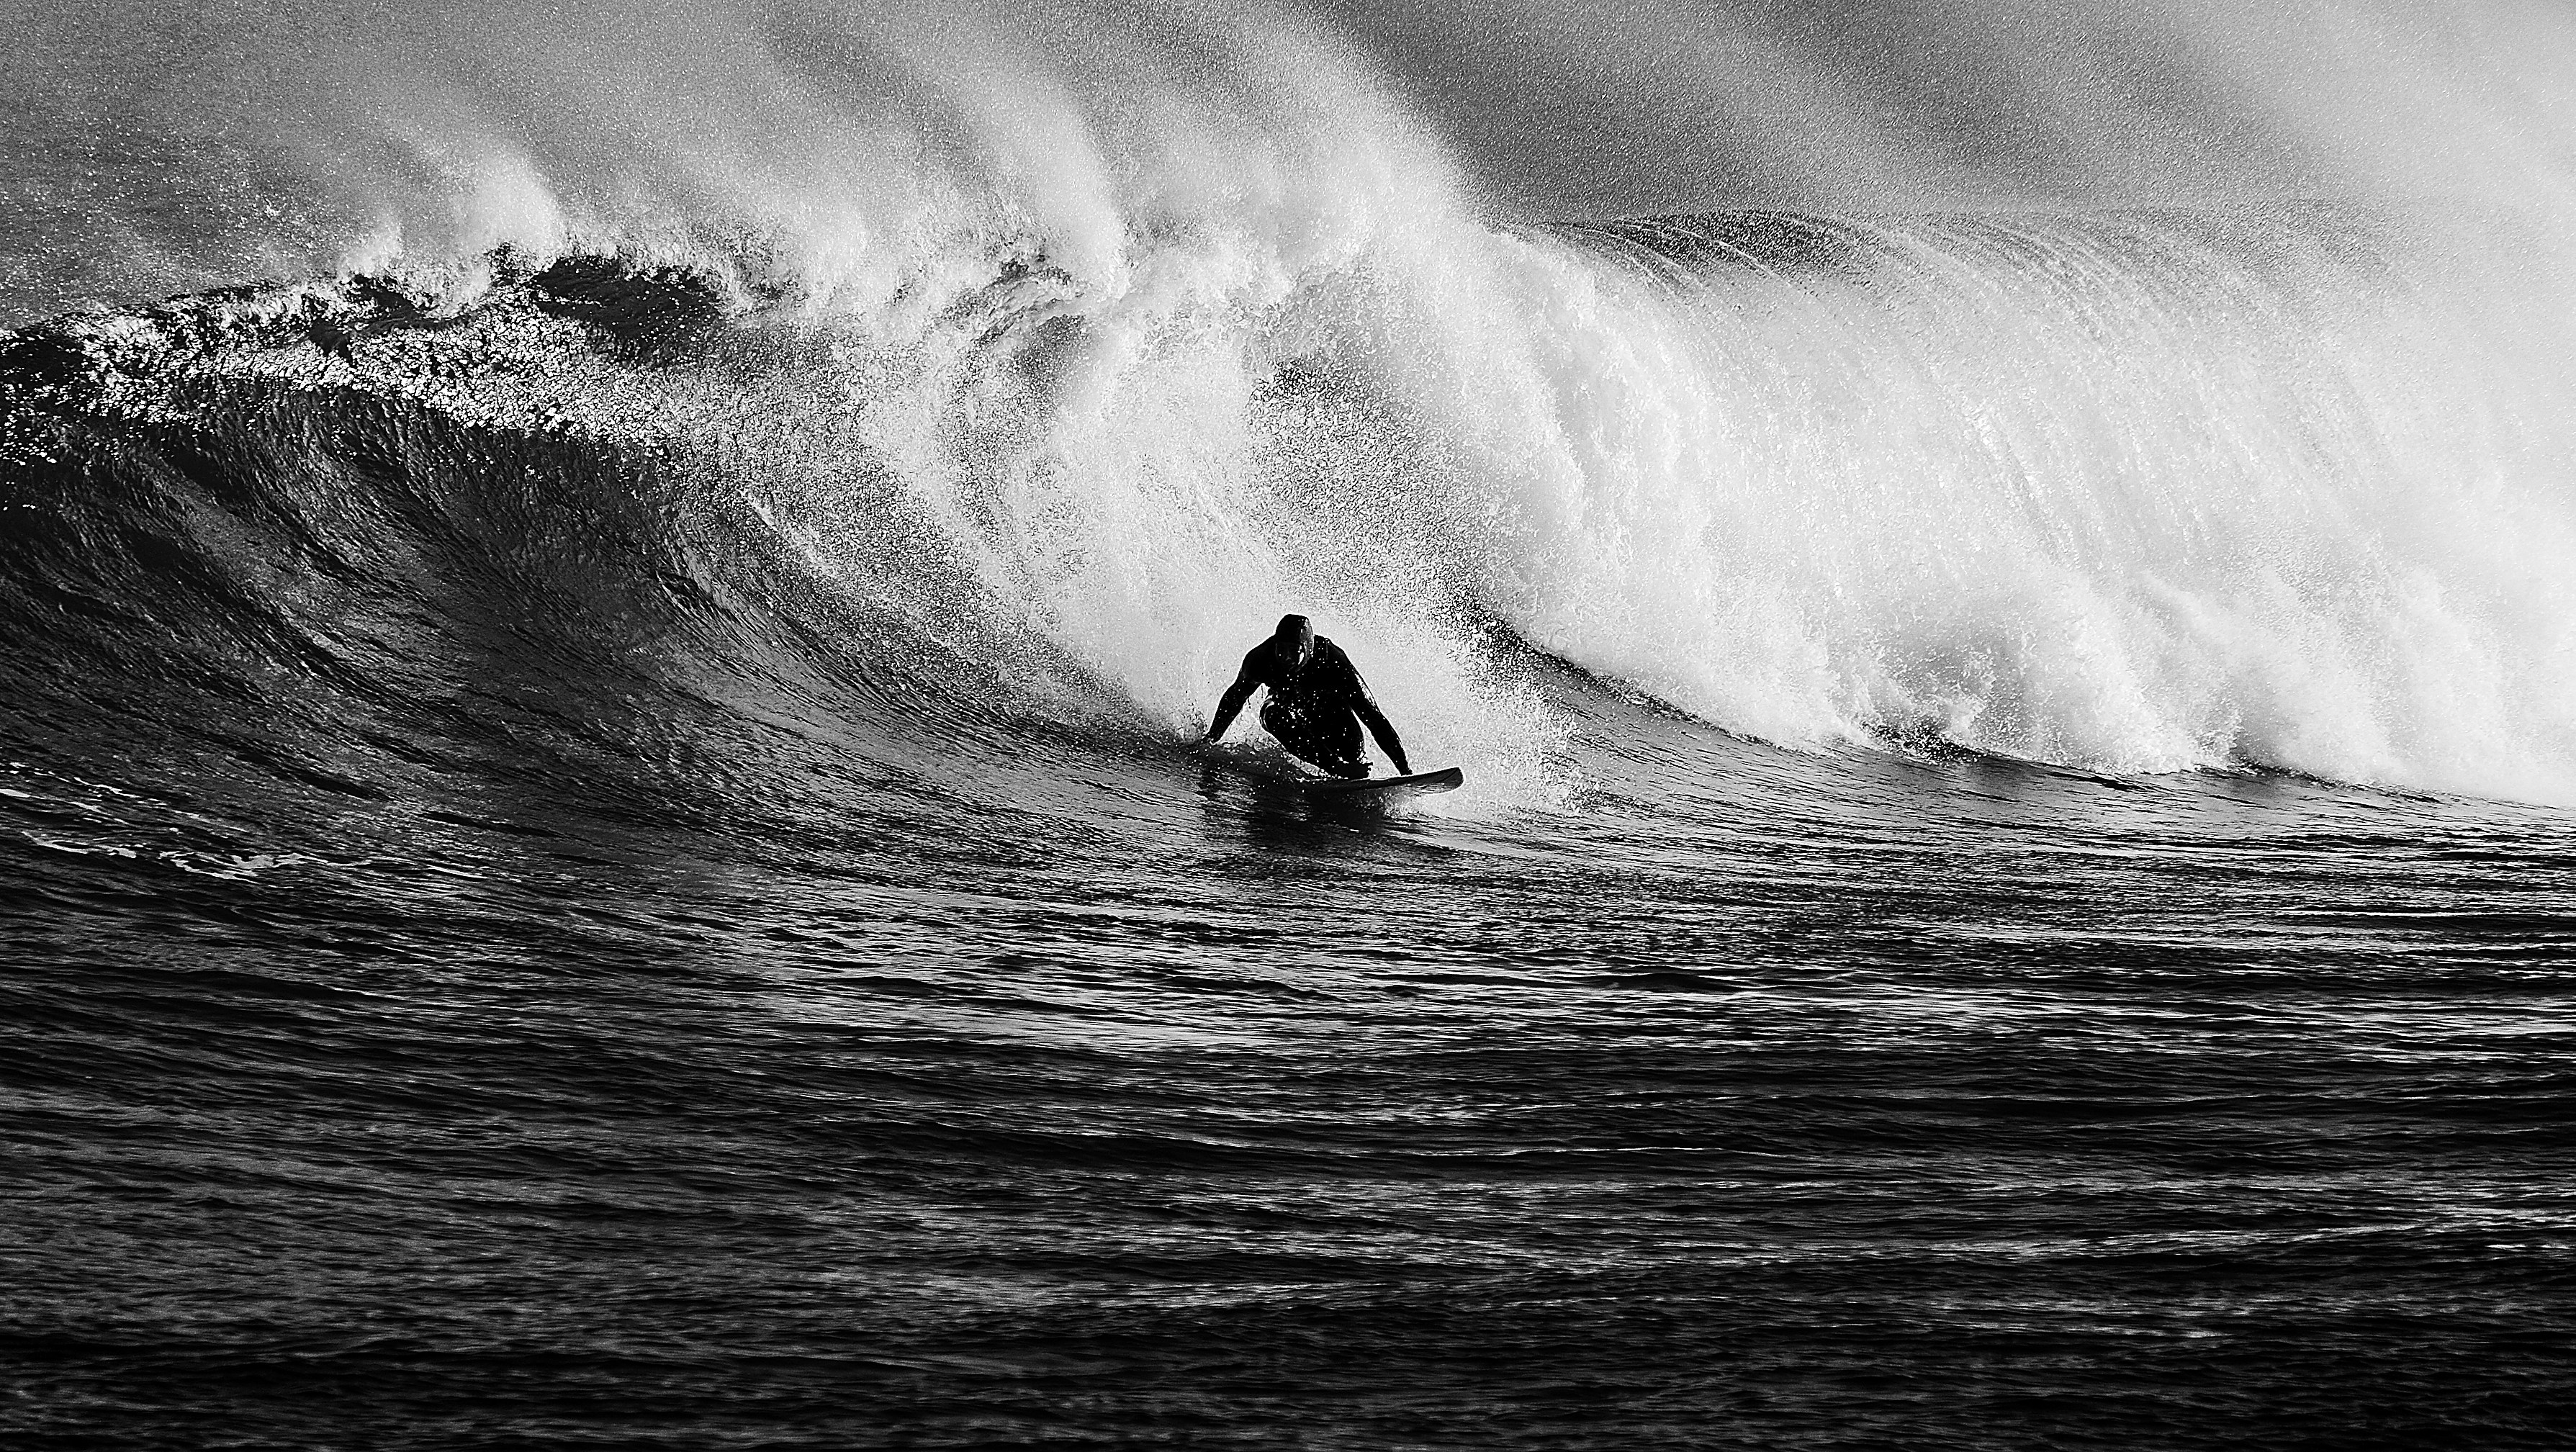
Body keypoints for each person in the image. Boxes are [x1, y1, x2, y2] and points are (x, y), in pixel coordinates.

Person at [1203, 615, 1412, 780]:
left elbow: (1373, 717)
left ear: (1309, 649)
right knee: (1273, 715)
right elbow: (1234, 699)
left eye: (1294, 651)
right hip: (1285, 710)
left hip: (1328, 713)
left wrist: (1405, 772)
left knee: (1352, 752)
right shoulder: (1260, 659)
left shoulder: (1333, 661)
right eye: (1281, 649)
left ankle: (1348, 769)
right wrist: (1211, 739)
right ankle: (1335, 767)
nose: (1285, 657)